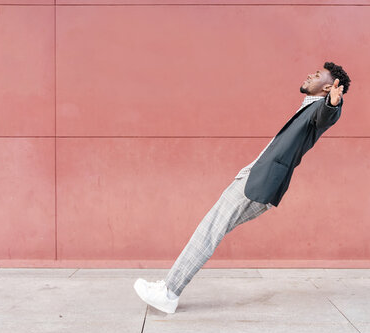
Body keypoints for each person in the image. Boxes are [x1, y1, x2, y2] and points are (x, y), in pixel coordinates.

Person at [134, 62, 351, 314]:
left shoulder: (318, 109)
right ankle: (170, 288)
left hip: (259, 183)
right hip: (255, 178)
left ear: (327, 87)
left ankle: (169, 292)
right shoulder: (307, 107)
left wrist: (333, 104)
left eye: (316, 75)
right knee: (210, 231)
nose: (309, 75)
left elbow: (327, 115)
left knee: (208, 231)